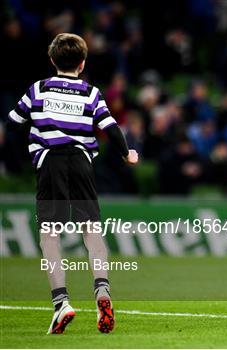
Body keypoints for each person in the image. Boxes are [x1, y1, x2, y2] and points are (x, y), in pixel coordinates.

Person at [7, 33, 138, 334]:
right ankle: (102, 291)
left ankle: (61, 303)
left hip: (50, 162)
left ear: (52, 60)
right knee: (91, 229)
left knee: (49, 235)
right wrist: (126, 154)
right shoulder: (91, 93)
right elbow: (110, 127)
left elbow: (13, 124)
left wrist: (18, 160)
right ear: (82, 63)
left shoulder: (37, 89)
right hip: (81, 161)